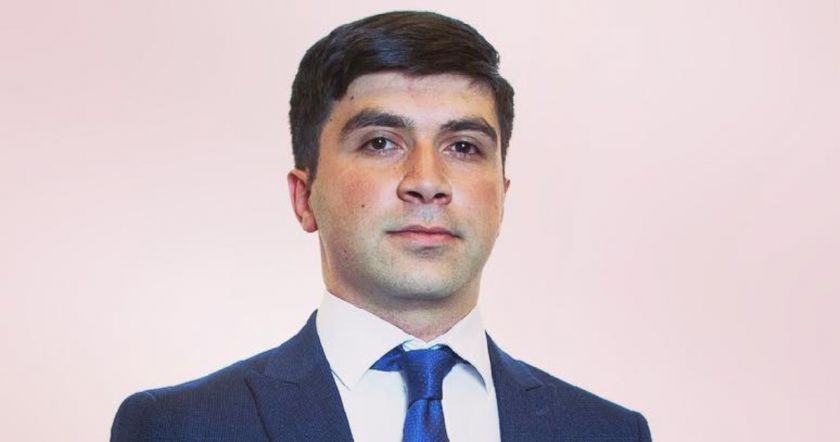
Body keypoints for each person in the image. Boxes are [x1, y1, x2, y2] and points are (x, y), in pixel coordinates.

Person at [111, 10, 651, 442]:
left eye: (464, 147)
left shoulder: (607, 433)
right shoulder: (178, 428)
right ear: (304, 198)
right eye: (381, 142)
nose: (427, 182)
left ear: (501, 197)